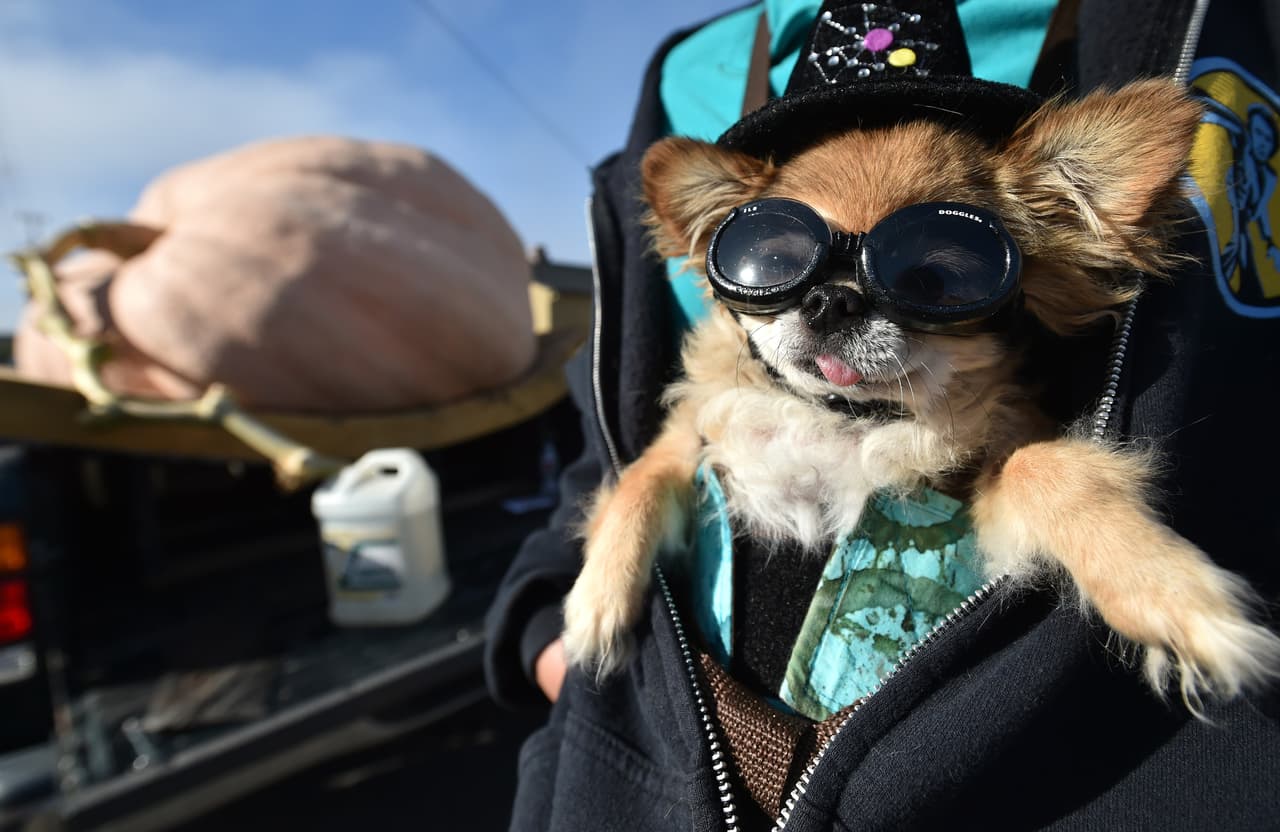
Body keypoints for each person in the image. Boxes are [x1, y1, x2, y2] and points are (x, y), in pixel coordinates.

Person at [485, 1, 1280, 829]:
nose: (835, 302)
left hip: (1030, 787)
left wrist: (1084, 512)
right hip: (640, 781)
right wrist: (558, 641)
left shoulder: (1226, 22)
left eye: (933, 274)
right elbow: (611, 430)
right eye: (778, 256)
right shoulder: (684, 66)